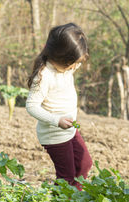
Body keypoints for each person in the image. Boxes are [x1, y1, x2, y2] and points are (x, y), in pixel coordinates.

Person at [26, 23, 93, 191]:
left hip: (69, 129)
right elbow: (31, 106)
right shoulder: (44, 76)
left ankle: (74, 200)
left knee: (85, 164)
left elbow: (75, 60)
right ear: (60, 57)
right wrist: (56, 120)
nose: (75, 67)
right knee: (66, 177)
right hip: (54, 135)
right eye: (72, 63)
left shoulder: (65, 68)